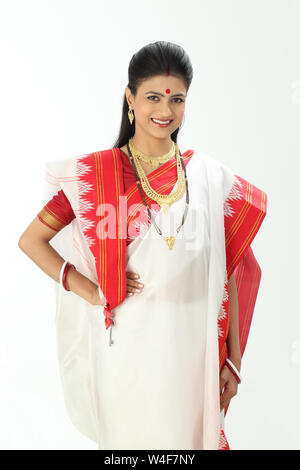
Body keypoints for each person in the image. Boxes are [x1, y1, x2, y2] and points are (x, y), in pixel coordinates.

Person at [18, 41, 267, 450]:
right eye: (153, 96)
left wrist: (233, 361)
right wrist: (88, 289)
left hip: (193, 352)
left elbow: (230, 272)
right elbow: (32, 240)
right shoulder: (98, 176)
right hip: (125, 351)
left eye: (177, 99)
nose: (165, 111)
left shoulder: (211, 178)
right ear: (130, 98)